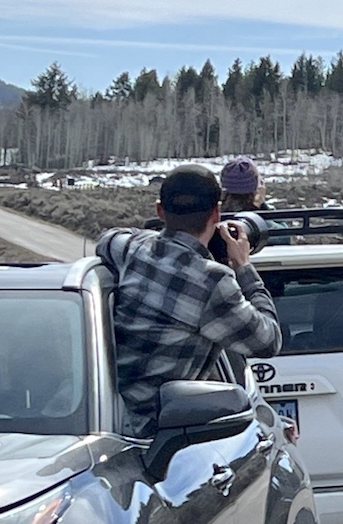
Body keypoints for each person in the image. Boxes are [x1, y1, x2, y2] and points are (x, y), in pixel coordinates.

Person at [96, 163, 283, 437]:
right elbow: (268, 341)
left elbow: (107, 239)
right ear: (216, 213)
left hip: (109, 418)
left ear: (160, 211)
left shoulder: (133, 249)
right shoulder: (213, 282)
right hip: (157, 434)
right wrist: (244, 267)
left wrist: (152, 237)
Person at [220, 156, 293, 245]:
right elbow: (284, 236)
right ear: (256, 188)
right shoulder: (256, 221)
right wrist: (262, 208)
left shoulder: (216, 215)